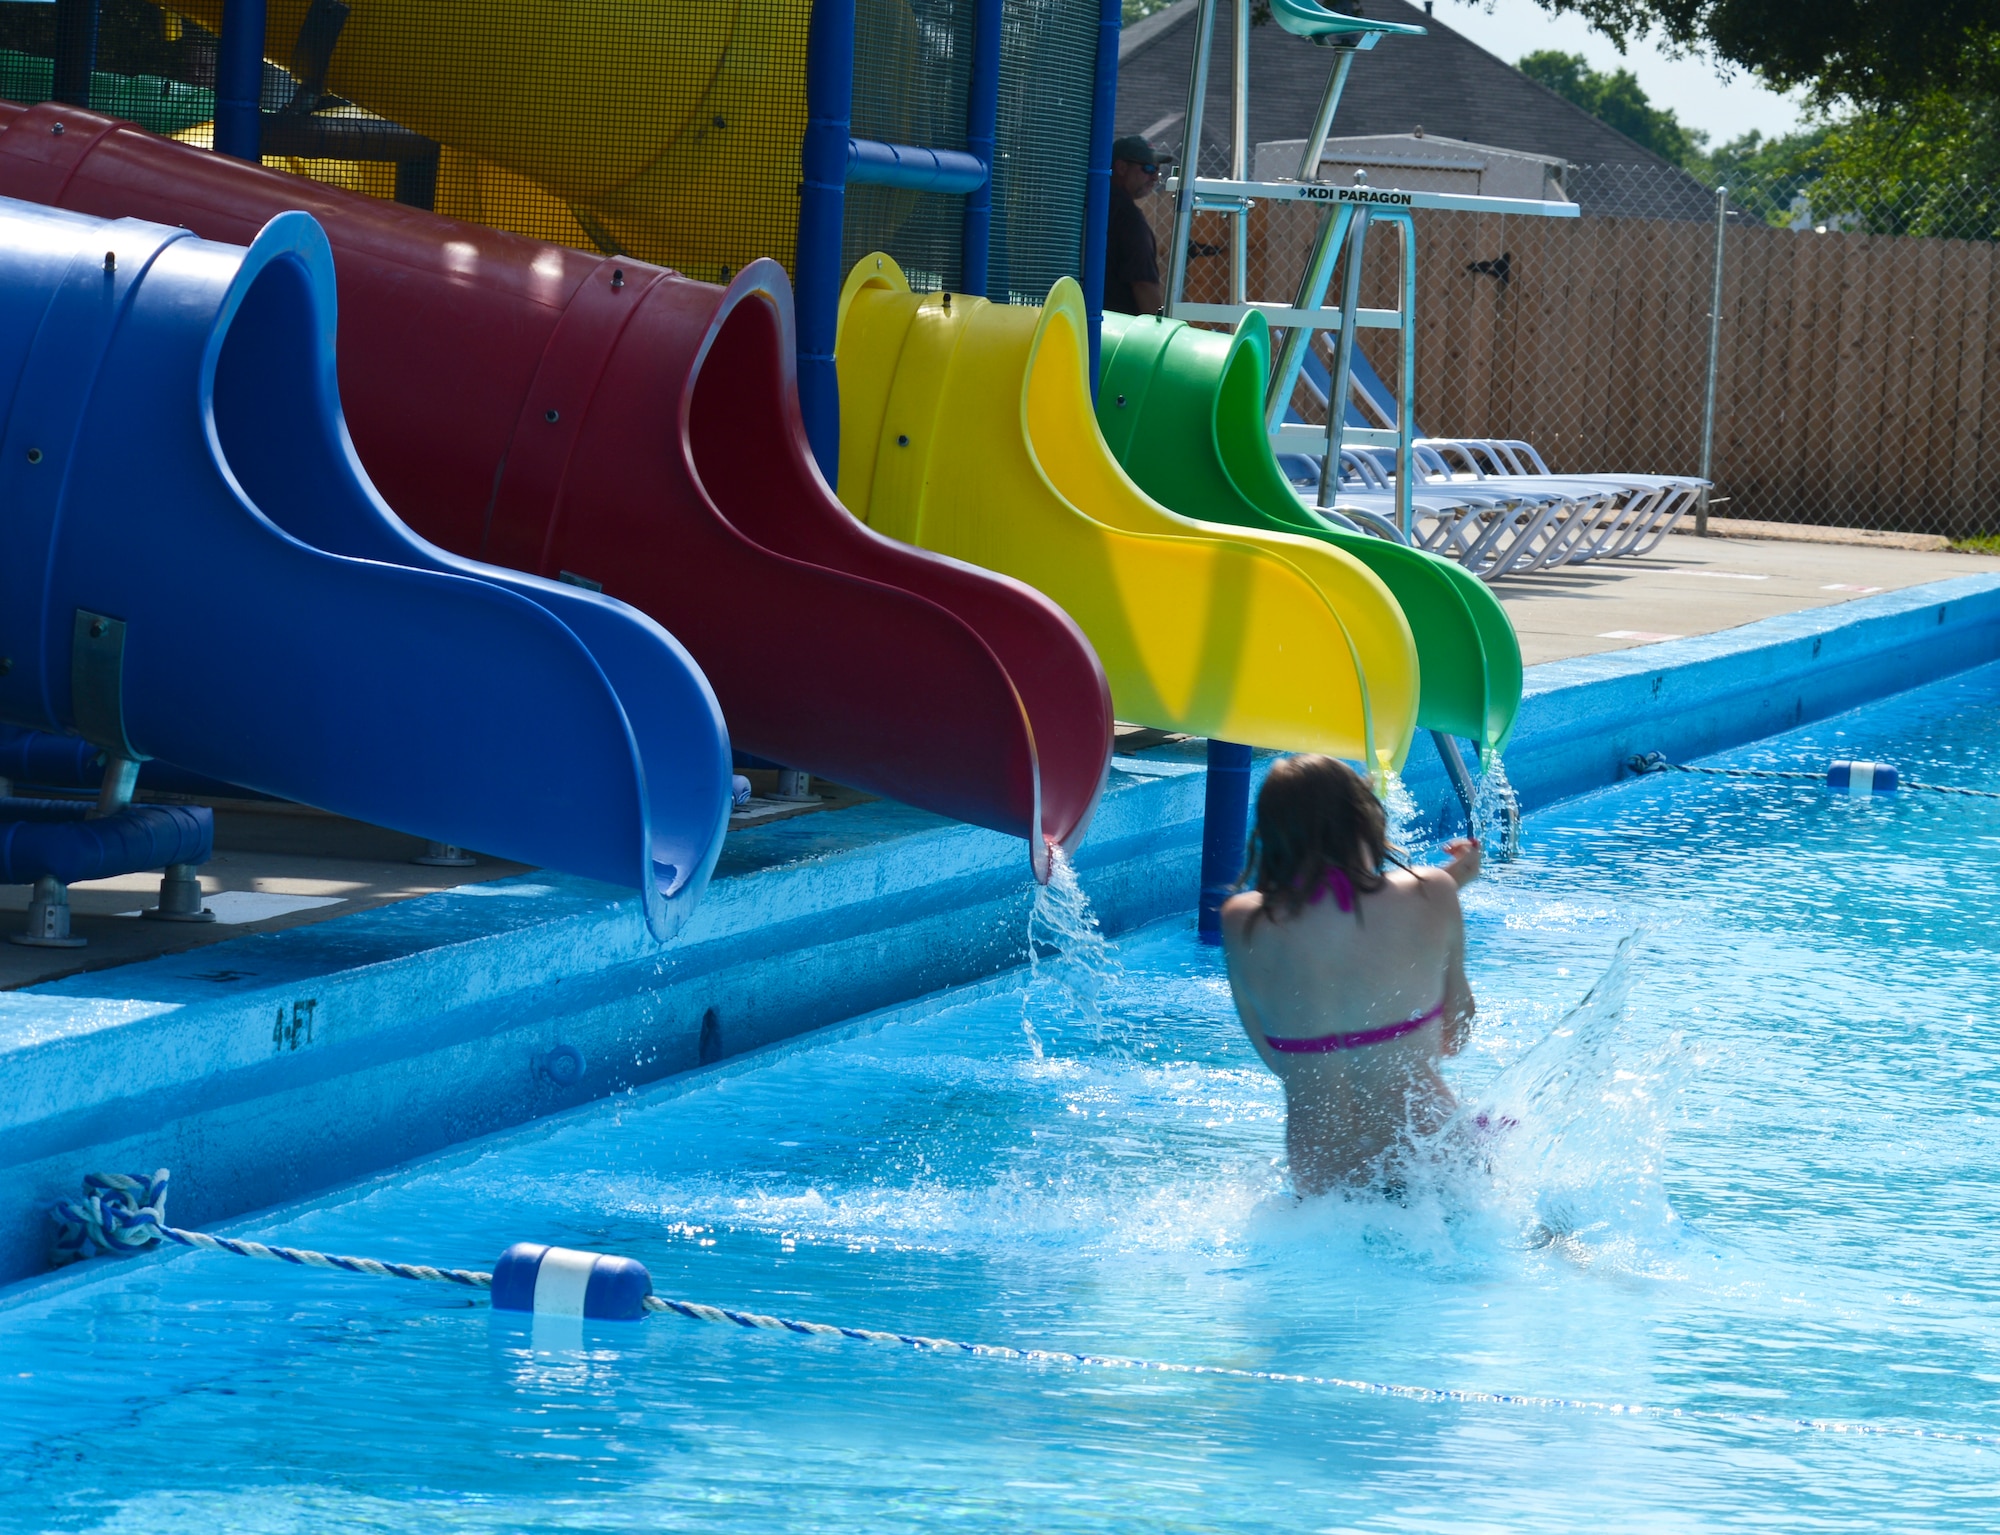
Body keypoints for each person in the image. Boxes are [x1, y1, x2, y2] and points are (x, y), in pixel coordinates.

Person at [1220, 755, 1481, 1195]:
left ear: (1271, 835)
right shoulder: (1430, 892)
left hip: (1325, 1180)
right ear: (1366, 817)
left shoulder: (1241, 923)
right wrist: (1446, 885)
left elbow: (1275, 1057)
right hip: (1431, 1155)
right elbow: (1454, 1038)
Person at [1104, 134, 1169, 315]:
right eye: (1148, 168)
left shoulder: (1095, 204)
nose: (1155, 177)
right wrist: (1157, 333)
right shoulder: (1128, 217)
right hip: (1118, 329)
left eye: (1158, 170)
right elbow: (1143, 284)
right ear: (1122, 167)